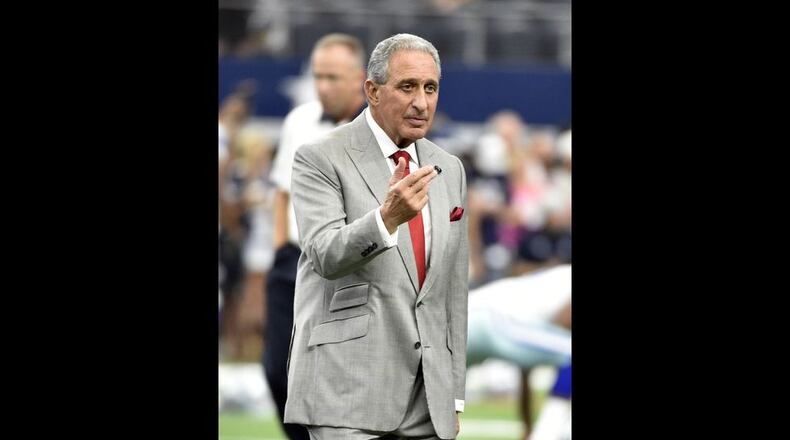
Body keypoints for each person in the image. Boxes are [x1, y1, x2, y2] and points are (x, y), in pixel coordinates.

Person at [284, 33, 469, 440]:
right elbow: (323, 254)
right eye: (407, 87)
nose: (421, 102)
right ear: (372, 90)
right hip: (346, 389)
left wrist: (453, 395)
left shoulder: (449, 168)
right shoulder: (319, 156)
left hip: (428, 401)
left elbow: (452, 290)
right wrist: (386, 219)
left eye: (430, 87)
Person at [265, 33, 367, 440]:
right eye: (318, 77)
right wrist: (279, 248)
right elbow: (281, 191)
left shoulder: (374, 132)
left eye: (333, 77)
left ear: (360, 79)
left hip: (343, 263)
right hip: (293, 258)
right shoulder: (299, 121)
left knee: (336, 371)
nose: (323, 86)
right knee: (276, 369)